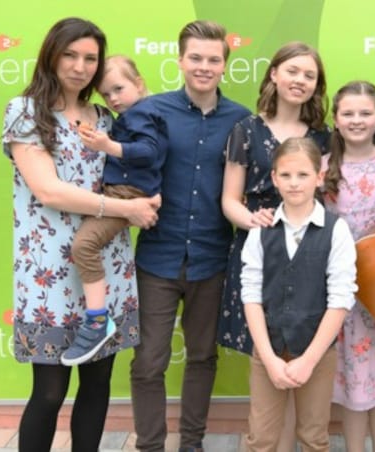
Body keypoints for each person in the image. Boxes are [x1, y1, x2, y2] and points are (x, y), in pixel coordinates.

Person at [1, 17, 160, 451]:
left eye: (91, 58)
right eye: (70, 54)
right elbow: (48, 190)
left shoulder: (106, 118)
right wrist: (126, 208)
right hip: (48, 271)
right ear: (51, 55)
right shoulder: (25, 112)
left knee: (97, 384)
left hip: (105, 269)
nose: (80, 66)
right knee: (50, 392)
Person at [129, 20, 251, 452]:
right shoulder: (151, 111)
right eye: (195, 58)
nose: (203, 66)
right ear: (180, 60)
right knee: (148, 362)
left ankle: (192, 444)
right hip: (156, 259)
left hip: (213, 259)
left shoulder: (242, 120)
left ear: (224, 65)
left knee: (201, 357)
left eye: (213, 60)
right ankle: (150, 446)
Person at [240, 137, 357, 452]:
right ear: (274, 178)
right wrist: (269, 359)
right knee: (260, 438)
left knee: (314, 437)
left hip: (317, 352)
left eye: (303, 175)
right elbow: (250, 295)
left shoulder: (336, 230)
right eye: (286, 175)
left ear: (319, 177)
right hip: (268, 348)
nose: (294, 183)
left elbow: (341, 299)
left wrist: (308, 360)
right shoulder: (260, 229)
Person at [219, 40, 330, 355]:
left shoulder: (325, 137)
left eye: (309, 75)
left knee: (304, 342)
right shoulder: (246, 130)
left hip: (307, 251)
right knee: (262, 347)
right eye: (292, 71)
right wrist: (252, 221)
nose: (300, 80)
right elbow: (229, 200)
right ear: (273, 75)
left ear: (316, 86)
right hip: (258, 247)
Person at [321, 80, 375, 452]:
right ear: (335, 119)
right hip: (342, 291)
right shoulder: (324, 167)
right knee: (351, 380)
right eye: (348, 113)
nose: (356, 120)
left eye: (365, 113)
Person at [64, 55, 165, 366]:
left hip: (125, 194)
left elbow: (149, 151)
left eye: (119, 89)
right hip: (123, 193)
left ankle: (97, 321)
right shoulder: (132, 115)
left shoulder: (142, 113)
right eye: (106, 94)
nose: (113, 99)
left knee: (84, 245)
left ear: (140, 84)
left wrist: (109, 146)